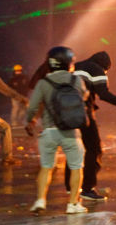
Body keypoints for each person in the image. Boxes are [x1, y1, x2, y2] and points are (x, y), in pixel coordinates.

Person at [24, 47, 90, 214]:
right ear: (68, 63)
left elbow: (32, 107)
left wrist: (30, 120)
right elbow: (84, 97)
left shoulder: (43, 83)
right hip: (70, 132)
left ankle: (40, 200)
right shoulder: (75, 80)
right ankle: (73, 204)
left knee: (46, 167)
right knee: (76, 167)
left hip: (49, 132)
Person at [65, 51, 116, 201]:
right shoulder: (96, 69)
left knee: (73, 148)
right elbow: (103, 93)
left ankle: (70, 186)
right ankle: (88, 188)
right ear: (104, 66)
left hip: (65, 113)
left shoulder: (76, 66)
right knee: (94, 149)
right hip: (83, 114)